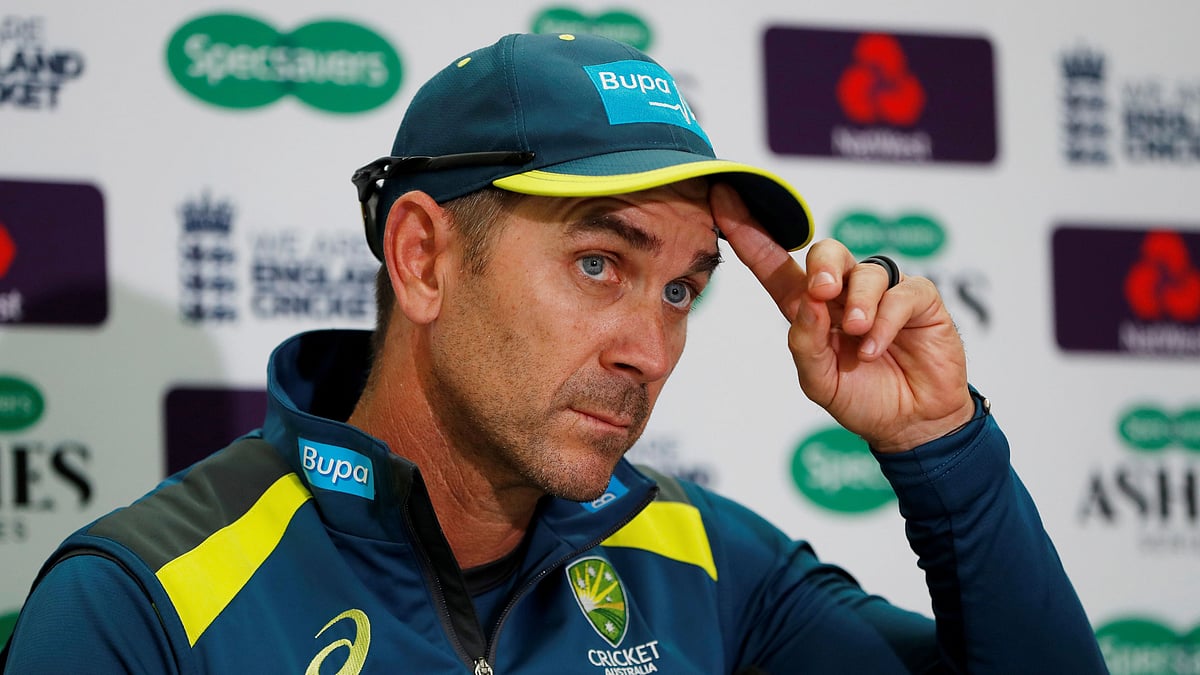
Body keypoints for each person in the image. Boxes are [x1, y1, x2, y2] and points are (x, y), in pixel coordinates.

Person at [2, 32, 1106, 674]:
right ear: (425, 257)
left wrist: (940, 443)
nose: (648, 348)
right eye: (598, 265)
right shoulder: (142, 605)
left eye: (680, 288)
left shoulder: (712, 568)